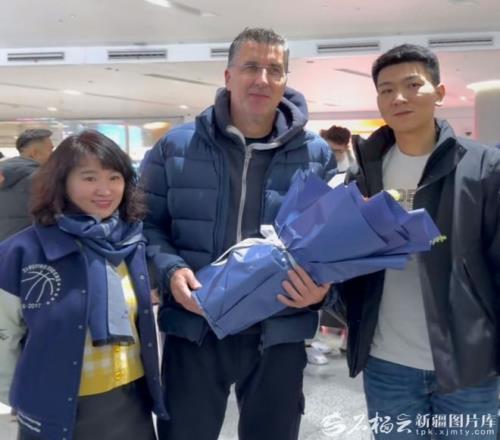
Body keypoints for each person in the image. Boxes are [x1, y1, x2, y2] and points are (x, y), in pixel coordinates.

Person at [140, 27, 336, 440]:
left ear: (285, 80)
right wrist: (170, 271)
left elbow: (330, 242)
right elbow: (145, 224)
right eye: (251, 67)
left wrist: (322, 292)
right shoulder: (175, 147)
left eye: (274, 70)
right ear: (228, 76)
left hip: (278, 330)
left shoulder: (315, 154)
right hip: (194, 328)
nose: (262, 79)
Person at [337, 43, 500, 439]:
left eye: (413, 85)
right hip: (387, 363)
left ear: (439, 93)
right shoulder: (365, 175)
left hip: (468, 365)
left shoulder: (483, 166)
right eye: (387, 89)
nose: (399, 98)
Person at [0, 130, 167, 440]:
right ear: (61, 181)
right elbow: (4, 336)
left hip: (131, 403)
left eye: (114, 177)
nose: (105, 189)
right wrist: (23, 397)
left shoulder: (130, 244)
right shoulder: (22, 252)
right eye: (89, 178)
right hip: (56, 409)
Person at [0, 128, 54, 242]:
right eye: (50, 149)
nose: (53, 155)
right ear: (34, 152)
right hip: (29, 244)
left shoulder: (3, 171)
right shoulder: (41, 178)